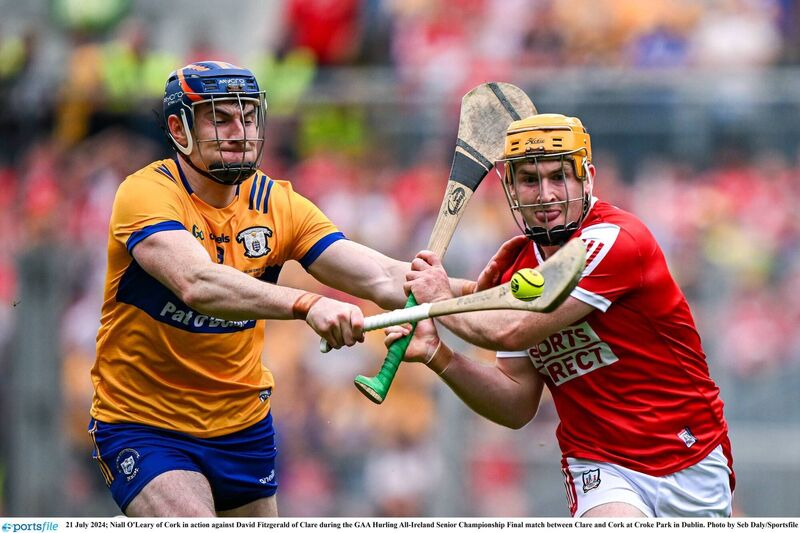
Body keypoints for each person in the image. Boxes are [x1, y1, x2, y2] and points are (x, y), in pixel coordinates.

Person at [87, 61, 456, 517]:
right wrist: (306, 302)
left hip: (242, 426)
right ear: (178, 130)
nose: (239, 131)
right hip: (145, 424)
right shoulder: (145, 194)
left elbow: (381, 277)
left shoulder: (276, 203)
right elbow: (197, 283)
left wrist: (477, 289)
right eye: (219, 119)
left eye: (246, 117)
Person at [387, 113, 735, 518]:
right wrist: (438, 355)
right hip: (599, 466)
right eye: (531, 181)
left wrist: (439, 302)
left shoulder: (615, 241)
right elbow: (515, 404)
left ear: (586, 177)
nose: (546, 194)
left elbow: (514, 328)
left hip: (689, 456)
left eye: (559, 176)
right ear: (511, 188)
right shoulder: (518, 270)